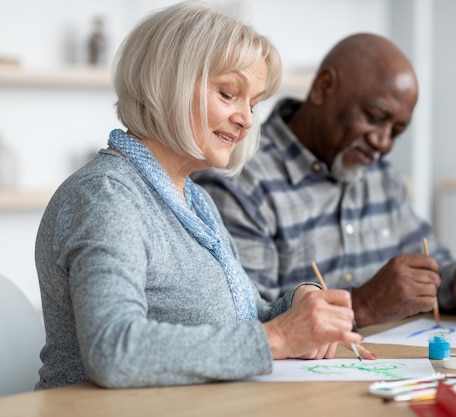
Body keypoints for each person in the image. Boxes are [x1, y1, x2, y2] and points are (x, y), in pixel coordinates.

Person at [34, 1, 371, 391]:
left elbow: (241, 321)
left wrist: (297, 305)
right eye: (228, 94)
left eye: (253, 103)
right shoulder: (107, 197)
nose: (246, 119)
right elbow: (114, 350)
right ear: (166, 84)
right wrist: (278, 338)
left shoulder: (195, 200)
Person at [193, 33, 456, 327]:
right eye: (375, 118)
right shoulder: (239, 180)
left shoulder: (380, 176)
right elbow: (246, 322)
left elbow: (431, 267)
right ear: (323, 88)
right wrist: (362, 305)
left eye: (397, 132)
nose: (383, 143)